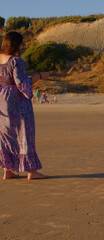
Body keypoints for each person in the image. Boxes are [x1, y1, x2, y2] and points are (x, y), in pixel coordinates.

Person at [0, 31, 49, 180]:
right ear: (17, 45)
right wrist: (39, 76)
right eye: (21, 43)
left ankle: (8, 170)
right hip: (17, 101)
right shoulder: (16, 61)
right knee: (24, 133)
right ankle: (31, 172)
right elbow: (21, 83)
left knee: (6, 135)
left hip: (1, 100)